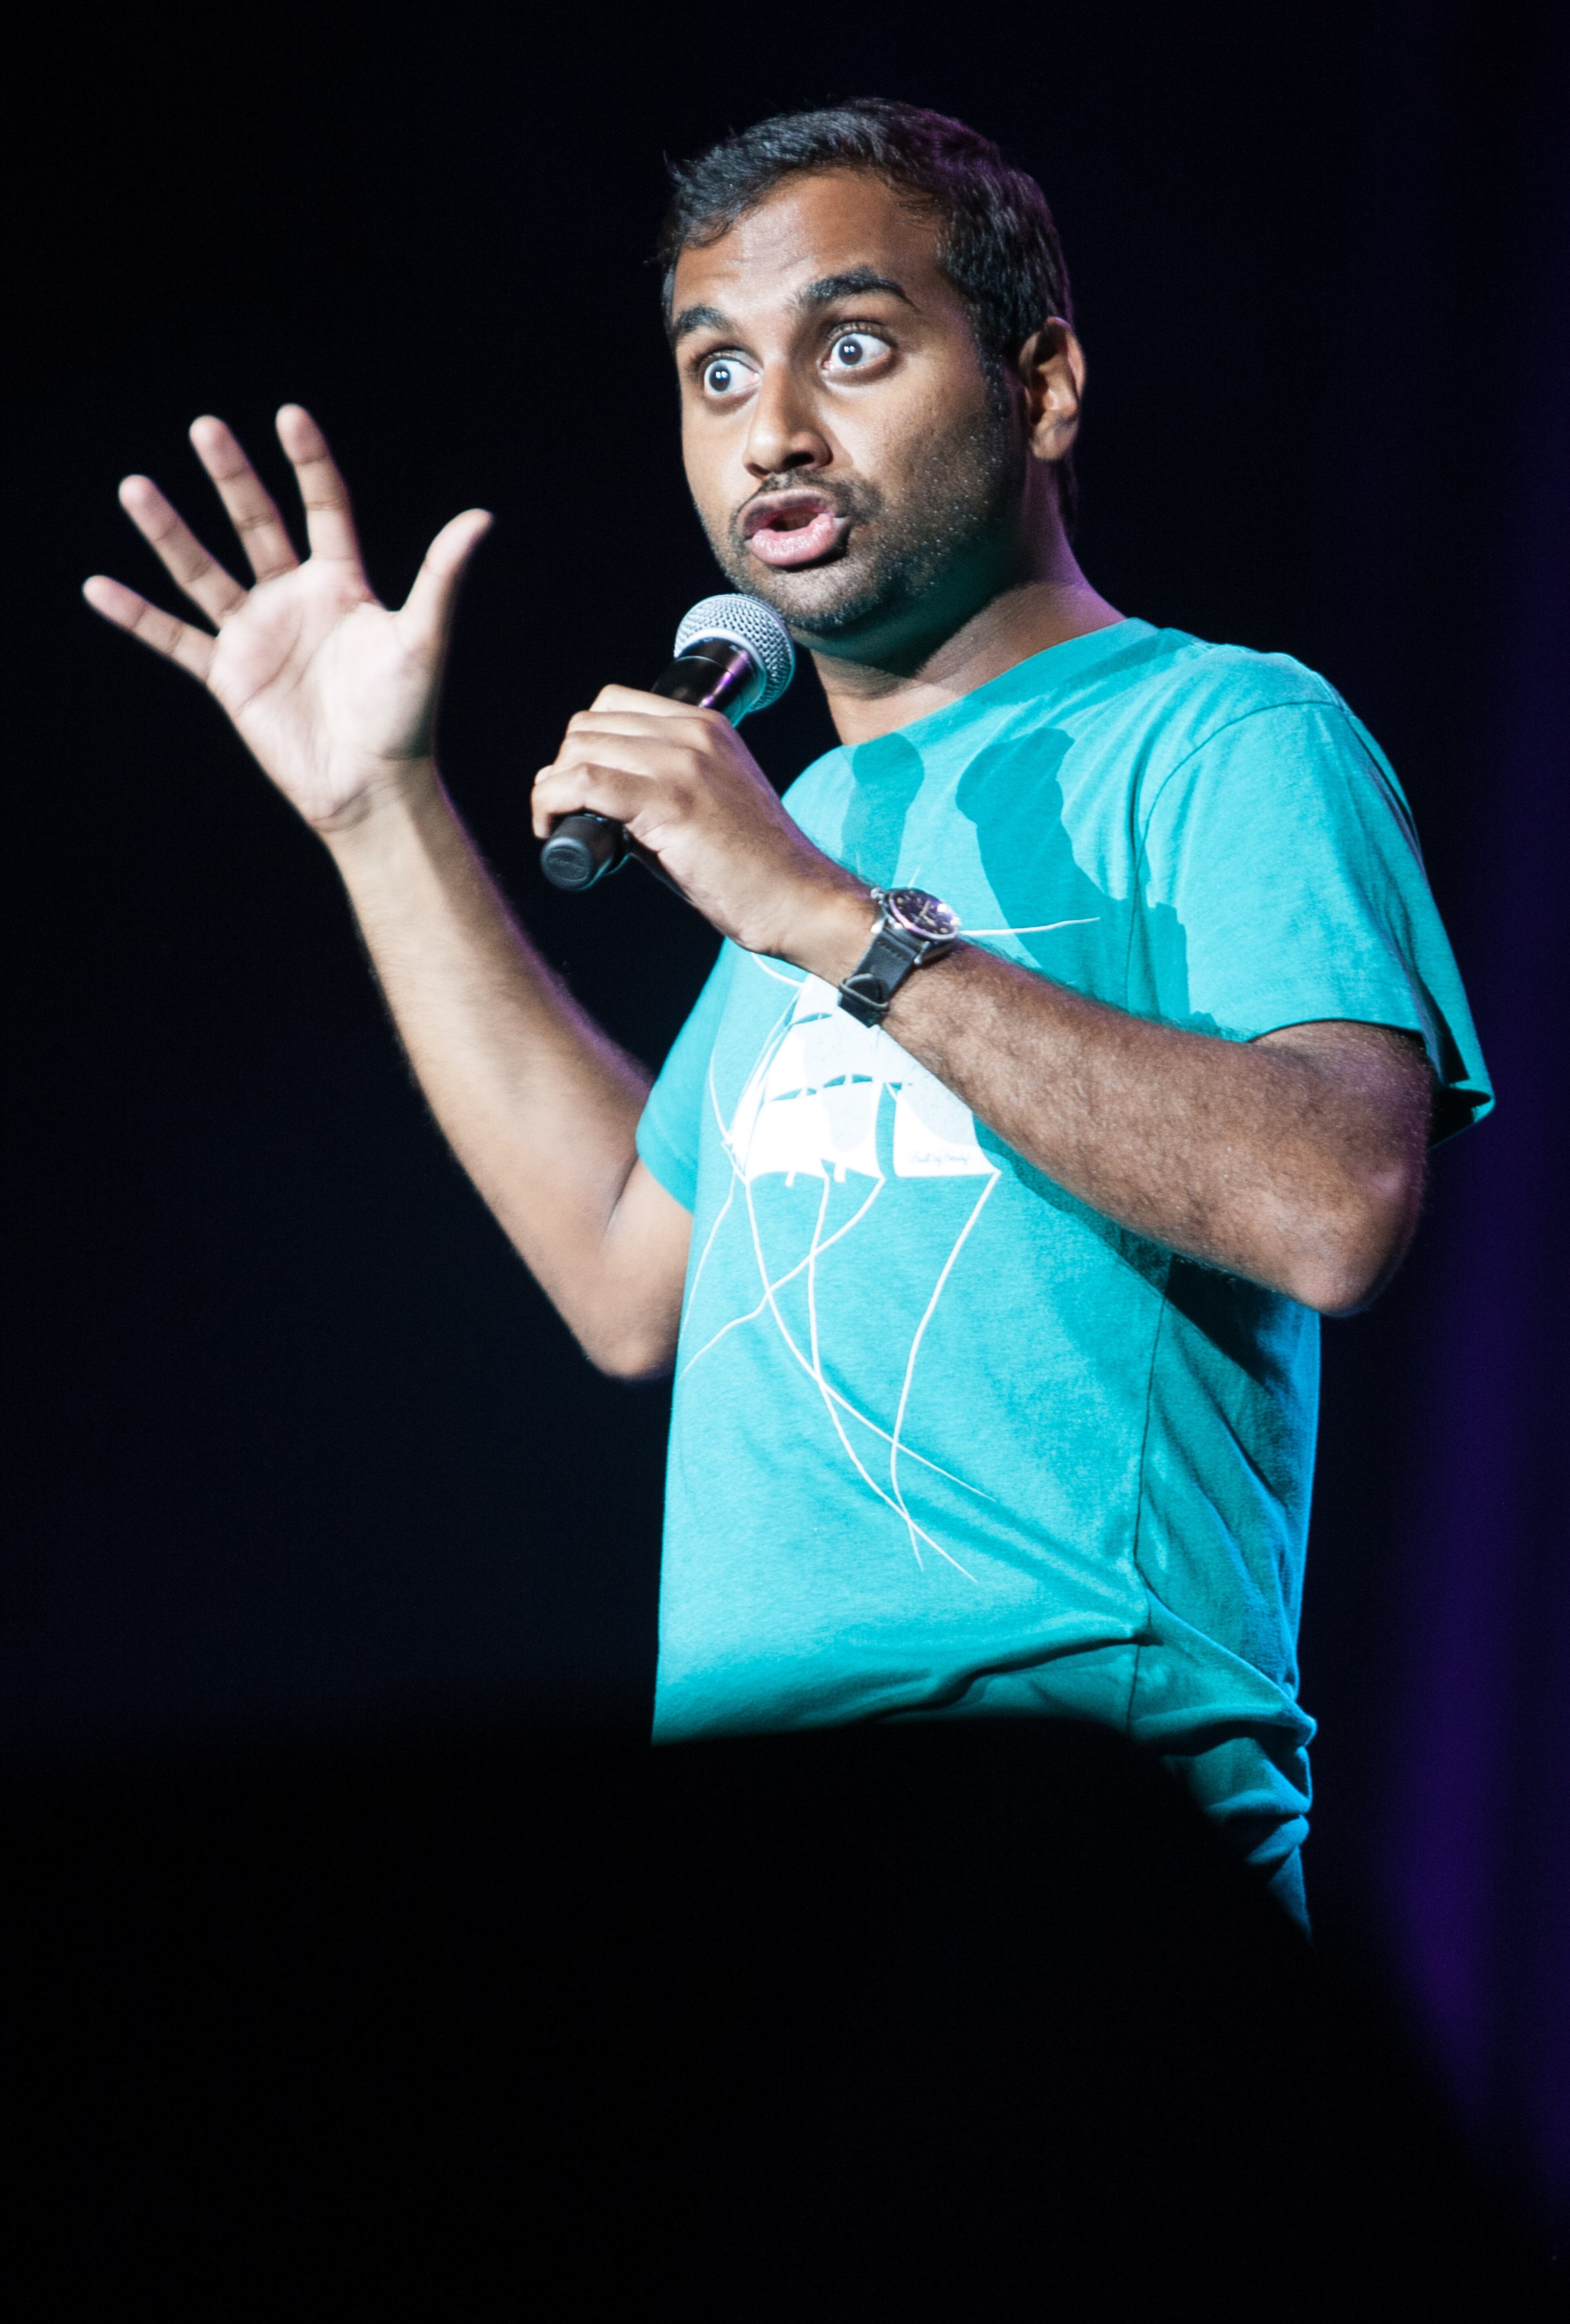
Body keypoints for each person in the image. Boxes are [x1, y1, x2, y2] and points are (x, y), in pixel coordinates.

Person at [83, 101, 1489, 1927]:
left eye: (850, 346)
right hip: (757, 1859)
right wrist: (380, 812)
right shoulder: (806, 820)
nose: (775, 429)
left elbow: (1335, 1206)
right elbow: (622, 1275)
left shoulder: (1225, 736)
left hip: (1083, 1833)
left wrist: (839, 931)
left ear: (1043, 384)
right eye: (719, 370)